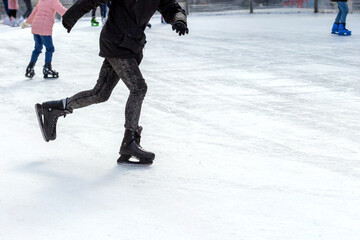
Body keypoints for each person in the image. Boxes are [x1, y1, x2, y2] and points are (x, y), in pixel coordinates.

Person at [34, 0, 189, 165]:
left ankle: (53, 108)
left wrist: (179, 19)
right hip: (116, 40)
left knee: (100, 93)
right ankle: (129, 142)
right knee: (138, 88)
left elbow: (172, 8)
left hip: (131, 43)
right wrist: (71, 16)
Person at [23, 0, 67, 78]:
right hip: (45, 28)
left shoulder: (41, 1)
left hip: (35, 26)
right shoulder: (54, 1)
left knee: (37, 48)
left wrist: (28, 22)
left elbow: (34, 12)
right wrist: (75, 12)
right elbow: (63, 12)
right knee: (50, 48)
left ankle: (30, 67)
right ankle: (47, 68)